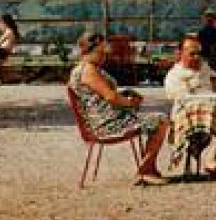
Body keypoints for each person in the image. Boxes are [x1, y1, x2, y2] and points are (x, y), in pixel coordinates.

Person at [70, 31, 171, 185]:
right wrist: (131, 102)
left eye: (105, 51)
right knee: (160, 120)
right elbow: (111, 97)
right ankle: (145, 170)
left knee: (156, 119)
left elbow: (99, 95)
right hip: (108, 125)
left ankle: (147, 168)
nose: (105, 55)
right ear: (89, 50)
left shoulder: (89, 68)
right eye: (101, 51)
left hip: (109, 120)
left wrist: (127, 94)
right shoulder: (89, 70)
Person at [163, 35, 216, 102]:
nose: (197, 57)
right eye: (192, 54)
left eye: (199, 53)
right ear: (181, 54)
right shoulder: (174, 76)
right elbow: (185, 101)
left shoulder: (207, 69)